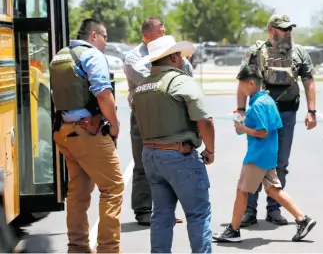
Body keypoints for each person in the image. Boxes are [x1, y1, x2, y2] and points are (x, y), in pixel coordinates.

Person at [213, 65, 317, 243]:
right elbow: (267, 126)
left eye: (242, 85)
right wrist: (243, 123)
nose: (241, 89)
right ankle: (302, 219)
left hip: (257, 155)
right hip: (268, 153)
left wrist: (243, 128)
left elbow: (262, 132)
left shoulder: (258, 104)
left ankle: (233, 230)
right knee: (273, 189)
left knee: (242, 191)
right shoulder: (266, 100)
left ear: (251, 83)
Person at [132, 35, 215, 253]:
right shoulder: (181, 81)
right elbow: (205, 121)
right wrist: (210, 150)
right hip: (179, 156)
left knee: (161, 214)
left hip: (151, 155)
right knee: (198, 214)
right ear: (175, 57)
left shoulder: (141, 87)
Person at [50, 18, 123, 253]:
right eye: (105, 38)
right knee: (112, 188)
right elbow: (103, 93)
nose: (105, 43)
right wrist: (114, 125)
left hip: (65, 132)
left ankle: (78, 248)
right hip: (88, 133)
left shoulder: (61, 56)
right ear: (94, 35)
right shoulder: (91, 55)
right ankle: (109, 250)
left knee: (78, 193)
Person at [237, 14, 317, 226]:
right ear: (271, 30)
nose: (288, 33)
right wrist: (240, 110)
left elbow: (309, 80)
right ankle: (249, 211)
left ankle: (274, 209)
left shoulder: (299, 52)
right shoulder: (255, 52)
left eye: (290, 29)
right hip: (260, 115)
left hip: (287, 114)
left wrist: (312, 111)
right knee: (255, 161)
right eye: (283, 29)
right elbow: (243, 82)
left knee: (280, 163)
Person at [123, 17, 192, 225]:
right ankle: (143, 210)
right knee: (143, 161)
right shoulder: (133, 58)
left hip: (171, 113)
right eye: (160, 32)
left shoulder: (171, 53)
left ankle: (165, 210)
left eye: (164, 31)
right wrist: (173, 74)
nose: (164, 35)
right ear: (146, 36)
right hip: (144, 115)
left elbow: (187, 74)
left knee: (169, 161)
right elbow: (150, 82)